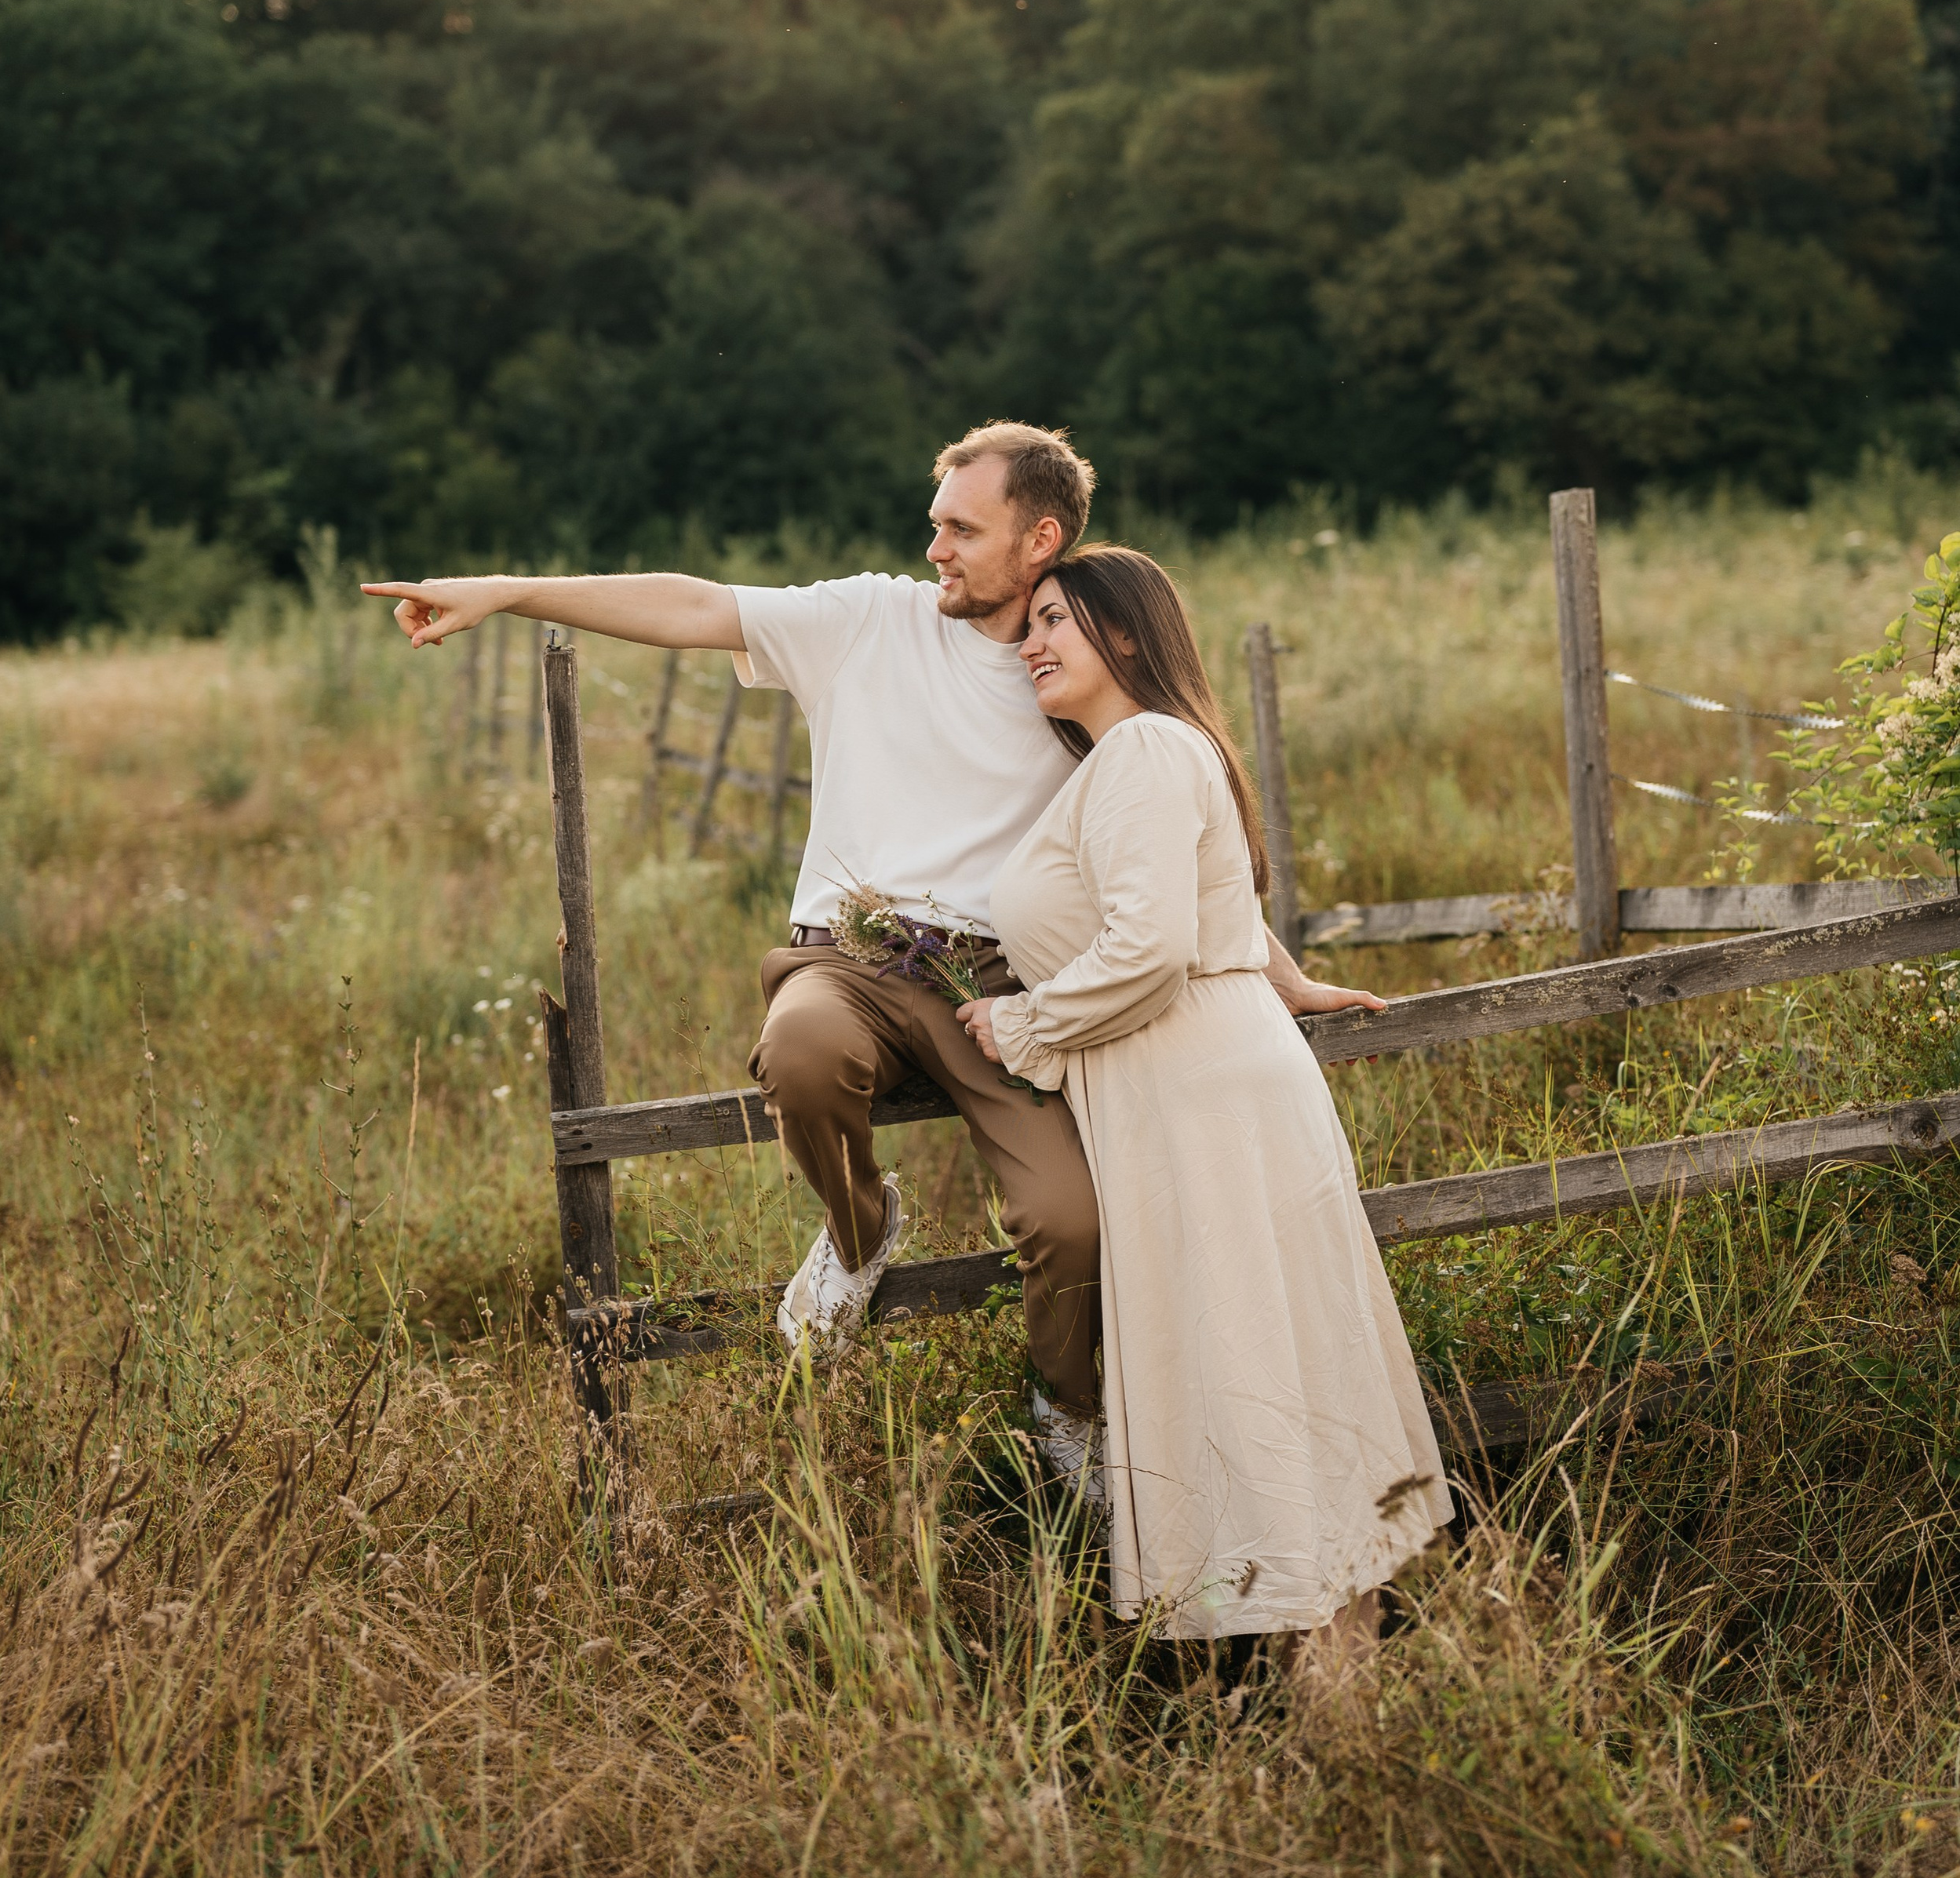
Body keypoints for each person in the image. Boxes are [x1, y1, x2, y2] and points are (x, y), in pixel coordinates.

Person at [362, 427, 1380, 1493]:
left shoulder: (1067, 673)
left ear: (1040, 538)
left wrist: (1281, 975)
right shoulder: (871, 620)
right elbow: (695, 605)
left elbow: (1166, 856)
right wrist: (507, 592)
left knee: (1070, 1220)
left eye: (961, 529)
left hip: (1001, 989)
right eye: (935, 524)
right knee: (801, 1054)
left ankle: (1070, 1410)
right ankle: (860, 1233)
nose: (933, 547)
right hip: (850, 959)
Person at [957, 544, 1450, 1677]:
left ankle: (1340, 1681)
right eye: (1029, 626)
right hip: (1188, 1082)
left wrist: (1022, 1025)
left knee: (1260, 1356)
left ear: (1127, 635)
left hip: (1195, 1090)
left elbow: (1151, 945)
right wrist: (1289, 979)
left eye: (1055, 621)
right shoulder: (1133, 758)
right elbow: (1194, 898)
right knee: (1266, 1354)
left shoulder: (1142, 747)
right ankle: (1332, 1671)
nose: (1031, 644)